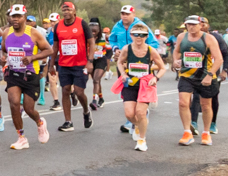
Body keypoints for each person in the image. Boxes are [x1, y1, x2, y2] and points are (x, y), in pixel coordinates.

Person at [3, 5, 53, 149]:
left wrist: (32, 57)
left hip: (30, 75)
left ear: (24, 17)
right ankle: (21, 138)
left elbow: (48, 50)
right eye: (13, 16)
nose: (16, 19)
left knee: (29, 109)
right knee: (14, 103)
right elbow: (3, 50)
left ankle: (40, 123)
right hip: (13, 73)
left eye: (19, 16)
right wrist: (3, 58)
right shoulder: (6, 33)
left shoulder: (34, 33)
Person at [115, 23, 166, 151]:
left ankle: (142, 140)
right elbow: (119, 62)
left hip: (146, 84)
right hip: (130, 84)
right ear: (131, 35)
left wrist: (156, 78)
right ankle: (138, 125)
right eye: (136, 34)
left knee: (140, 112)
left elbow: (162, 67)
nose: (139, 37)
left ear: (146, 36)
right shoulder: (127, 49)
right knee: (129, 114)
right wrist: (122, 73)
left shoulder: (150, 50)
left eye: (142, 35)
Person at [174, 15, 223, 146]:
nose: (191, 26)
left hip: (205, 76)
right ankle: (187, 132)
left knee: (206, 105)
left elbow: (219, 59)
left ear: (201, 25)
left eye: (194, 24)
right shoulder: (181, 37)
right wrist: (175, 61)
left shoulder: (208, 38)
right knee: (183, 103)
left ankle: (206, 133)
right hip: (186, 75)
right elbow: (177, 51)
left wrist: (210, 75)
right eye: (188, 24)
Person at [49, 1, 95, 132]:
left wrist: (90, 61)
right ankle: (68, 121)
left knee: (79, 92)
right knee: (65, 90)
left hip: (80, 64)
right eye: (64, 10)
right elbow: (55, 47)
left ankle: (86, 111)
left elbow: (91, 43)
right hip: (64, 64)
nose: (66, 12)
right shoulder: (58, 26)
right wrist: (51, 64)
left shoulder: (81, 23)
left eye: (68, 10)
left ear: (74, 11)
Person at [189, 17, 227, 136]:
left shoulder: (216, 38)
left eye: (203, 23)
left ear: (207, 25)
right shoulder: (191, 37)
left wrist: (225, 70)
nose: (202, 25)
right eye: (200, 23)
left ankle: (212, 123)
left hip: (212, 73)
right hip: (195, 73)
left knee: (212, 98)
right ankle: (193, 123)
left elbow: (225, 54)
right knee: (195, 96)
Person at [88, 18, 111, 110]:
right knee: (96, 80)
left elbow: (110, 48)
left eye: (95, 31)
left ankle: (94, 101)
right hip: (91, 60)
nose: (93, 32)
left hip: (101, 60)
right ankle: (101, 98)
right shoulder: (87, 37)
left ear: (99, 29)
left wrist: (107, 58)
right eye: (91, 31)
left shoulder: (104, 37)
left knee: (96, 79)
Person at [44, 12, 61, 109]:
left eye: (54, 21)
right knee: (52, 80)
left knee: (64, 81)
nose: (52, 23)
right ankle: (56, 101)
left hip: (63, 58)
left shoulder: (63, 29)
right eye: (51, 21)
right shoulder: (49, 31)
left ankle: (72, 93)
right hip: (52, 58)